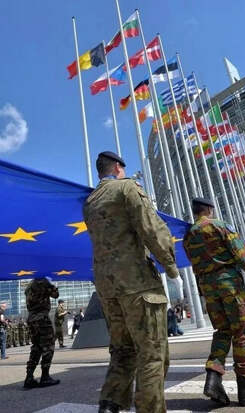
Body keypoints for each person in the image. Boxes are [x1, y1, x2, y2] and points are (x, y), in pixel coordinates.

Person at [83, 151, 180, 413]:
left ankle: (109, 406)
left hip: (107, 289)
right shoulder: (127, 188)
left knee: (122, 351)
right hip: (138, 284)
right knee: (152, 353)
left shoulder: (90, 201)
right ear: (117, 167)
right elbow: (151, 228)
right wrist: (170, 266)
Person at [183, 198, 245, 407]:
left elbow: (194, 263)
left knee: (222, 331)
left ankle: (213, 378)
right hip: (229, 284)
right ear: (209, 209)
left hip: (208, 288)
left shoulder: (188, 235)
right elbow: (241, 252)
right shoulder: (220, 225)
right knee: (240, 333)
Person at [23, 277, 61, 389]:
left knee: (36, 347)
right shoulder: (43, 281)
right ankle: (45, 377)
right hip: (42, 319)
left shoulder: (29, 285)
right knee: (48, 346)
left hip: (32, 319)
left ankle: (29, 377)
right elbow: (56, 295)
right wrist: (53, 284)